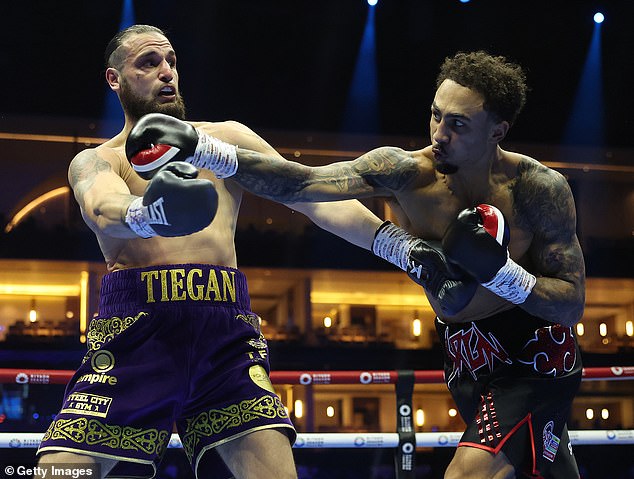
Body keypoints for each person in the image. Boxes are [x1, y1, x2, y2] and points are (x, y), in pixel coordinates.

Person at [130, 51, 586, 478]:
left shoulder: (538, 190)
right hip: (465, 357)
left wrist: (500, 272)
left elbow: (571, 304)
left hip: (536, 355)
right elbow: (302, 183)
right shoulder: (406, 172)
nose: (439, 134)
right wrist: (203, 150)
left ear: (497, 132)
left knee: (469, 471)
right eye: (435, 114)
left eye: (459, 124)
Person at [36, 24, 391, 479]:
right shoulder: (99, 159)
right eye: (148, 63)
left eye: (171, 62)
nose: (166, 72)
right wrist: (151, 213)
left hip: (224, 336)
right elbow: (102, 207)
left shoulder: (223, 140)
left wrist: (399, 246)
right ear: (114, 80)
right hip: (137, 334)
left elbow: (307, 194)